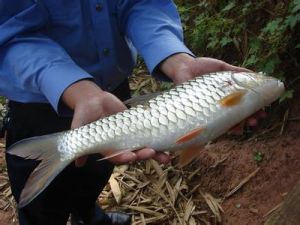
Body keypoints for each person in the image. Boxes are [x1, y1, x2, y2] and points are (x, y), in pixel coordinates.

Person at [0, 1, 264, 225]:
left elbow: (141, 3)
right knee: (42, 204)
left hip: (113, 91)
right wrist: (75, 87)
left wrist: (176, 58)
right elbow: (9, 31)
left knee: (97, 169)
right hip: (37, 100)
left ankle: (87, 215)